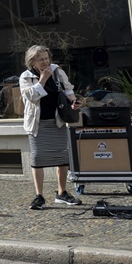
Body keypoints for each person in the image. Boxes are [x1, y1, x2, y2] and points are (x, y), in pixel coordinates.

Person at [20, 45, 82, 210]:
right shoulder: (25, 77)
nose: (46, 62)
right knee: (38, 158)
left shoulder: (57, 71)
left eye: (47, 58)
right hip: (37, 124)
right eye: (41, 59)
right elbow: (31, 97)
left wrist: (74, 101)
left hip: (57, 122)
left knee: (61, 158)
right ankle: (39, 196)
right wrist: (42, 79)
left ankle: (62, 193)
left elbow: (68, 89)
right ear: (32, 62)